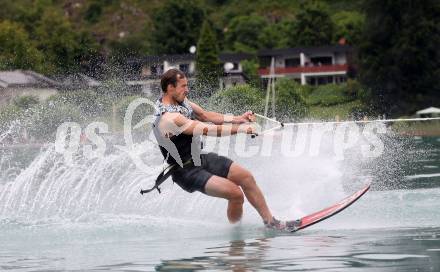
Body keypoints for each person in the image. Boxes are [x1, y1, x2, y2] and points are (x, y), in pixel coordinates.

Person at [152, 68, 299, 231]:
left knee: (246, 177)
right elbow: (207, 129)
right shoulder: (169, 118)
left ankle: (271, 223)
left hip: (199, 158)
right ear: (170, 87)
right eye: (183, 86)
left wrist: (239, 119)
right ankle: (235, 236)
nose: (187, 90)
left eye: (187, 85)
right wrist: (241, 129)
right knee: (235, 194)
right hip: (185, 170)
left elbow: (206, 116)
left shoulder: (181, 103)